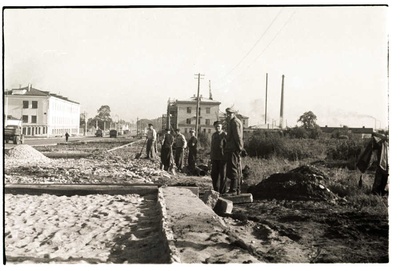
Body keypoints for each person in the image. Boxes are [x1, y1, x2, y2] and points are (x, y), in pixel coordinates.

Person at [224, 107, 244, 195]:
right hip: (231, 148)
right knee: (232, 168)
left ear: (234, 114)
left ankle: (234, 189)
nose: (228, 115)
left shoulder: (235, 122)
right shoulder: (232, 122)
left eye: (230, 114)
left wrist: (240, 148)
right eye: (227, 114)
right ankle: (234, 189)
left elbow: (238, 136)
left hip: (233, 148)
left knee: (233, 168)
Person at [210, 121, 227, 194]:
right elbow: (212, 147)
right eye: (216, 126)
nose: (217, 128)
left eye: (219, 126)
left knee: (223, 176)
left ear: (221, 127)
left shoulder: (224, 135)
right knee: (214, 175)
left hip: (222, 158)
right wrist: (211, 157)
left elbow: (226, 146)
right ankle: (215, 190)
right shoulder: (214, 135)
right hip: (214, 158)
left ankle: (222, 191)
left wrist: (226, 156)